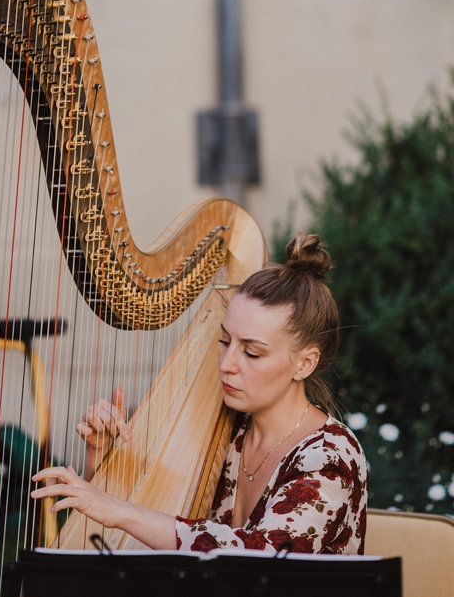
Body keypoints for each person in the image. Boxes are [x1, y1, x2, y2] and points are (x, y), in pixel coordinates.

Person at [31, 233, 367, 554]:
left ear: (304, 364)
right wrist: (104, 458)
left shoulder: (331, 458)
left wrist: (122, 512)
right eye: (224, 341)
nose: (226, 364)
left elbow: (263, 554)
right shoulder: (228, 430)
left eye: (251, 353)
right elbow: (137, 525)